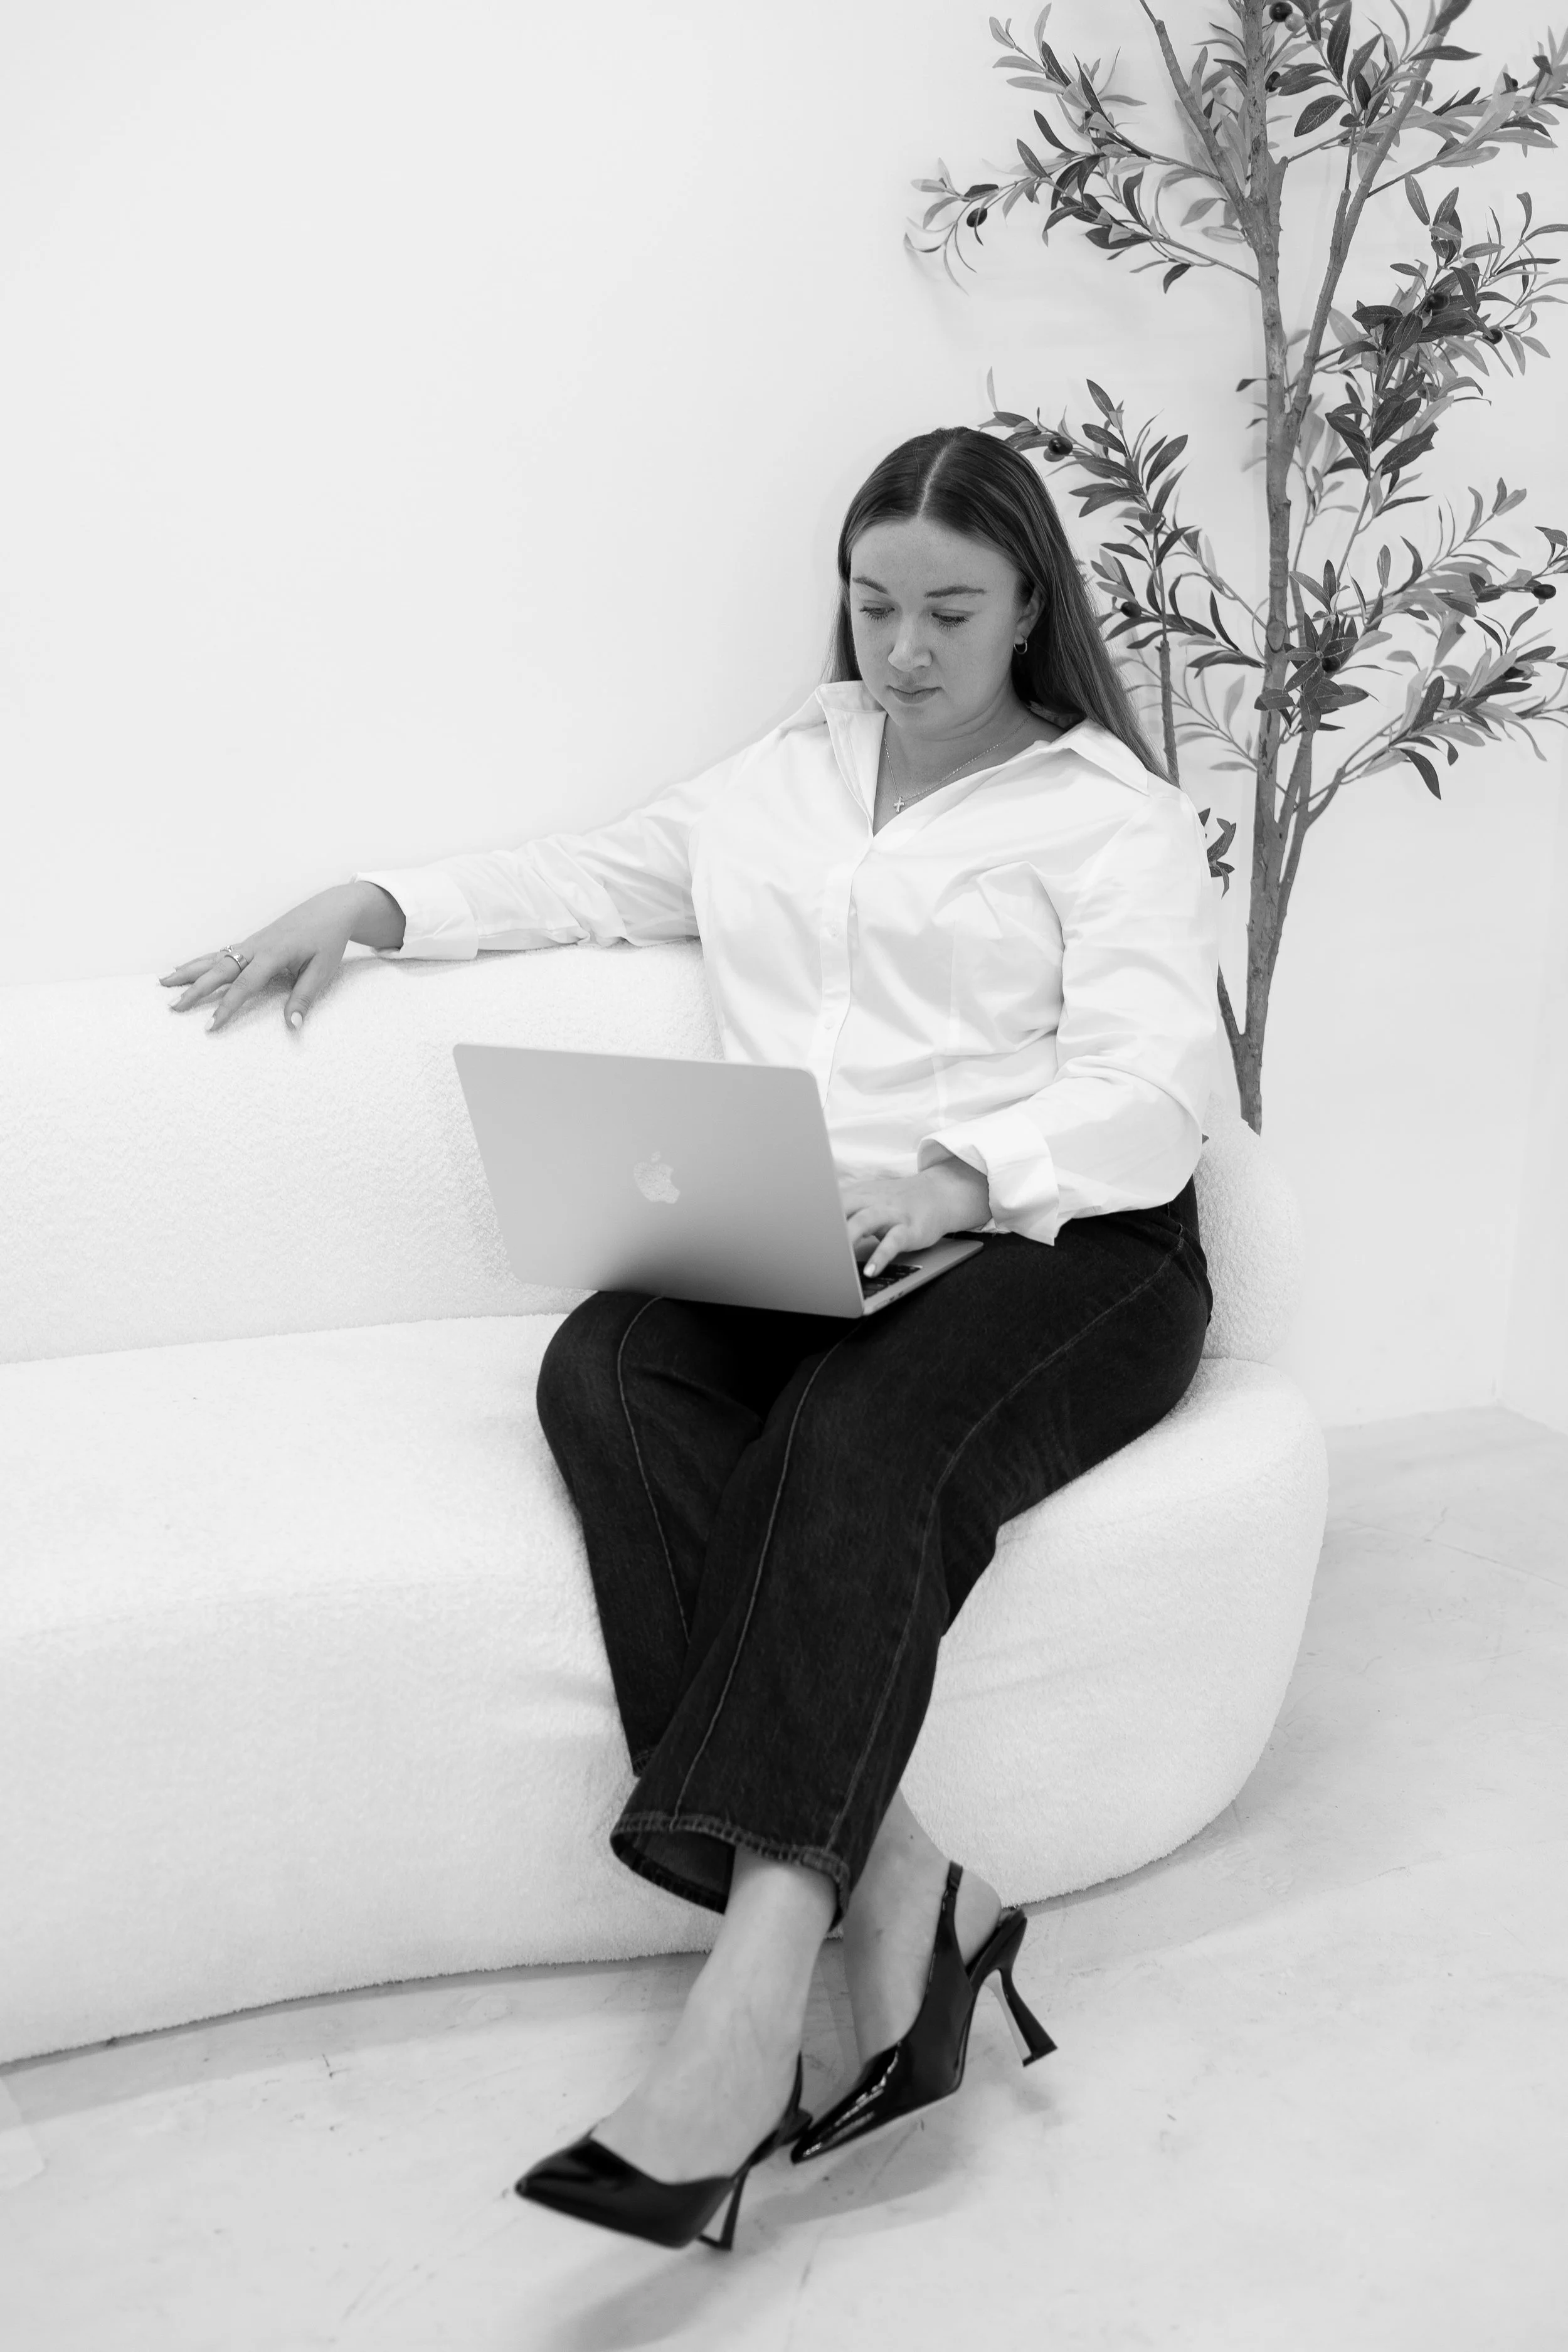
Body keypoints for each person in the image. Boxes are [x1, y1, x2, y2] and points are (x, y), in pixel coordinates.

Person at [159, 425, 1221, 2253]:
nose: (902, 646)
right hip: (824, 1224)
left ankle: (743, 2016)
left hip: (1071, 1241)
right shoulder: (791, 772)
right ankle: (905, 1886)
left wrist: (973, 1176)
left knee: (849, 1439)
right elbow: (590, 876)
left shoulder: (1106, 812)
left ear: (1031, 602)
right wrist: (376, 902)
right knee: (610, 1365)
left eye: (948, 609)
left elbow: (1157, 1085)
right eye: (873, 604)